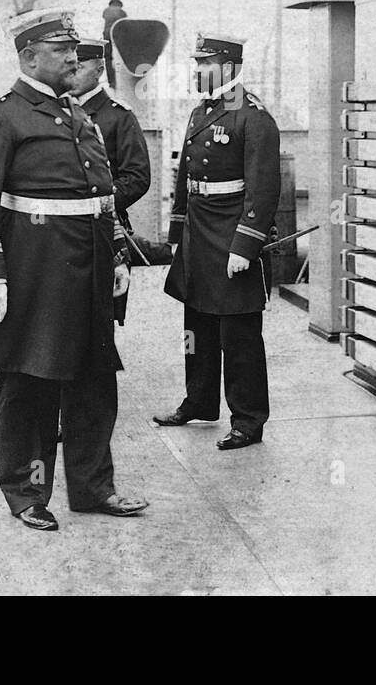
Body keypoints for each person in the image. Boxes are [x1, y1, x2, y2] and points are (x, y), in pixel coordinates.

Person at [0, 8, 146, 531]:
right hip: (34, 275)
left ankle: (92, 488)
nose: (72, 57)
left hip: (87, 273)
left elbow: (100, 196)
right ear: (28, 58)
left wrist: (117, 255)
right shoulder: (1, 117)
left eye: (74, 49)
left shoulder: (80, 117)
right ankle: (28, 494)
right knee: (30, 387)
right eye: (61, 50)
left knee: (93, 383)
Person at [155, 33, 280, 450]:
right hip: (198, 232)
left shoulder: (253, 116)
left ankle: (247, 419)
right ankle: (200, 400)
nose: (196, 71)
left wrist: (245, 246)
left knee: (239, 334)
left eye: (204, 63)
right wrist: (177, 234)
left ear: (228, 68)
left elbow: (262, 189)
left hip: (230, 234)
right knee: (198, 325)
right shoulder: (199, 113)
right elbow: (184, 179)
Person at [72, 36, 152, 325]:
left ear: (99, 71)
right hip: (64, 231)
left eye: (79, 66)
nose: (72, 72)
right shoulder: (58, 112)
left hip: (105, 230)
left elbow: (138, 176)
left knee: (99, 318)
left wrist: (101, 202)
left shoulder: (118, 117)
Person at [101, 0, 128, 86]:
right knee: (120, 58)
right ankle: (121, 80)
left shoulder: (106, 11)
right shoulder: (122, 12)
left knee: (108, 58)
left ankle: (111, 81)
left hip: (107, 35)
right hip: (118, 35)